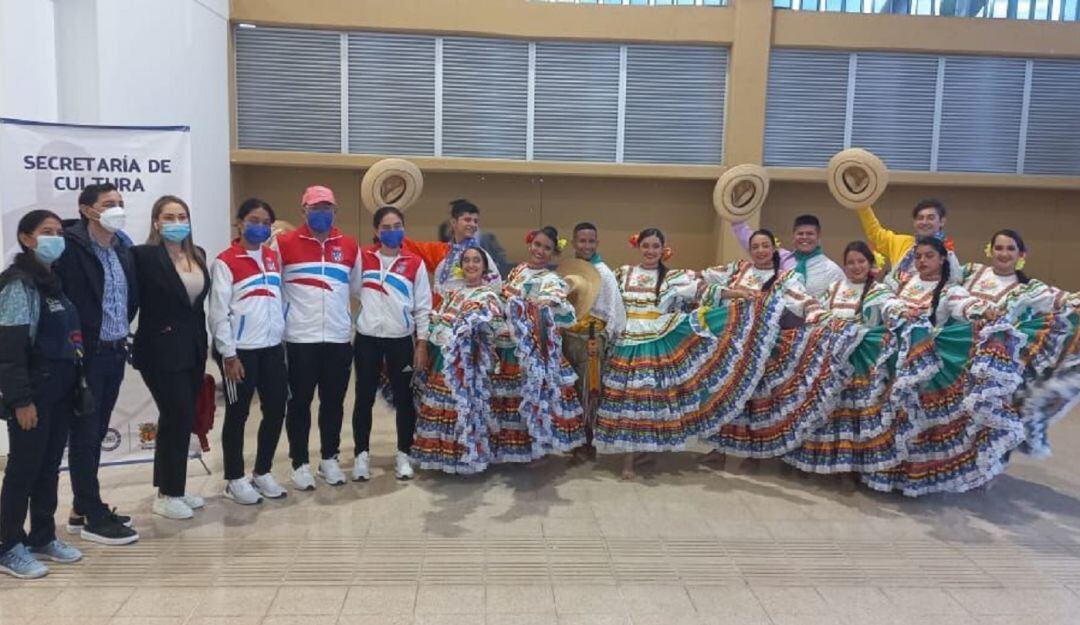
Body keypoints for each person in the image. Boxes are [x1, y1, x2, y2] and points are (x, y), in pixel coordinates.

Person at [594, 228, 785, 479]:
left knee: (648, 399)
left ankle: (639, 455)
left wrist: (737, 293)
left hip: (657, 338)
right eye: (646, 246)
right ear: (638, 247)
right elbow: (608, 299)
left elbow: (703, 290)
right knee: (629, 400)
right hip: (627, 339)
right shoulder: (623, 273)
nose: (650, 251)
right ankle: (633, 455)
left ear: (663, 249)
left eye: (655, 246)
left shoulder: (673, 277)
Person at [866, 237, 1025, 495]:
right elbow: (883, 299)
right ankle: (884, 469)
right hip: (896, 361)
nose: (923, 261)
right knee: (891, 417)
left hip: (925, 367)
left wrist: (983, 312)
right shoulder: (903, 284)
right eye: (918, 256)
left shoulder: (950, 289)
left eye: (929, 256)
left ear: (942, 259)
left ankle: (915, 477)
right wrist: (897, 309)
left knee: (918, 421)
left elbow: (965, 305)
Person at [702, 230, 857, 461]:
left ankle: (753, 453)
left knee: (758, 400)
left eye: (765, 246)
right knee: (728, 395)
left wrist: (822, 317)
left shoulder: (786, 278)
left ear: (774, 248)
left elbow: (802, 300)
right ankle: (720, 449)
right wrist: (731, 292)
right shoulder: (738, 270)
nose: (761, 251)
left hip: (766, 347)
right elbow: (705, 279)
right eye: (755, 247)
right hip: (733, 344)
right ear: (750, 250)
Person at [0, 210, 86, 578]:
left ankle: (42, 536)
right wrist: (20, 400)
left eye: (58, 231)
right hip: (33, 395)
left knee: (49, 468)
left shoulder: (53, 280)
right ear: (26, 238)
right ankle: (7, 546)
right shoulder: (18, 284)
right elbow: (10, 349)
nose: (55, 237)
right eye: (45, 232)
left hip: (61, 391)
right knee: (24, 469)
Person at [53, 182, 139, 544]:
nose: (117, 208)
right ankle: (91, 513)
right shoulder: (70, 249)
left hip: (115, 352)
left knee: (97, 430)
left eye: (120, 202)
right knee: (86, 436)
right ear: (88, 210)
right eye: (108, 204)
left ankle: (79, 507)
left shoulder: (123, 247)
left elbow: (129, 297)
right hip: (85, 356)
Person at [783, 241, 905, 475]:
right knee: (828, 412)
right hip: (832, 363)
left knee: (854, 417)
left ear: (870, 264)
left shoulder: (880, 292)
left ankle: (851, 470)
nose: (856, 266)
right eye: (850, 262)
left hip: (862, 366)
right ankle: (820, 461)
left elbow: (892, 310)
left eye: (861, 261)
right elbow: (817, 312)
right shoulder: (835, 287)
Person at [274, 185, 362, 490]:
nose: (321, 214)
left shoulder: (349, 246)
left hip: (338, 339)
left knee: (334, 403)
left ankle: (329, 459)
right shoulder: (284, 244)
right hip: (300, 339)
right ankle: (299, 463)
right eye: (315, 208)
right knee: (299, 403)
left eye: (327, 208)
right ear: (303, 211)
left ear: (335, 211)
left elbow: (355, 288)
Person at [131, 196, 212, 519]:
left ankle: (172, 486)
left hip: (193, 348)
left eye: (182, 216)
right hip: (159, 349)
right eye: (169, 216)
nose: (176, 222)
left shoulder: (198, 254)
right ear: (156, 222)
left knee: (179, 417)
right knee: (176, 414)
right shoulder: (142, 256)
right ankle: (167, 494)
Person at [207, 198, 289, 504]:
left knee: (276, 409)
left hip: (271, 349)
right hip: (239, 353)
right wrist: (229, 354)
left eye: (266, 222)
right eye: (253, 220)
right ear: (239, 223)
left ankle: (262, 471)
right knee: (238, 413)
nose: (260, 226)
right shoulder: (226, 261)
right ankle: (234, 478)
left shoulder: (271, 258)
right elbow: (218, 313)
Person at [962, 229, 1071, 458]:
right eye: (999, 248)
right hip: (959, 356)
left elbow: (1065, 300)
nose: (1004, 253)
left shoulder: (1030, 288)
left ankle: (987, 465)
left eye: (1010, 248)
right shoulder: (971, 272)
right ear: (990, 251)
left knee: (990, 415)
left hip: (997, 367)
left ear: (1021, 253)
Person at [350, 206, 432, 481]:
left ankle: (404, 455)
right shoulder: (363, 258)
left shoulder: (414, 263)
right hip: (367, 339)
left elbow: (423, 307)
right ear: (376, 231)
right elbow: (350, 289)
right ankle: (361, 456)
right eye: (386, 227)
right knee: (363, 398)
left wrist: (421, 343)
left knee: (404, 399)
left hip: (401, 341)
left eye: (397, 225)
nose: (392, 231)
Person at [492, 226, 585, 463]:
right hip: (507, 344)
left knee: (531, 395)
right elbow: (503, 297)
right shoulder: (519, 270)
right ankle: (512, 448)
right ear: (530, 243)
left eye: (547, 248)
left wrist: (537, 305)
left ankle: (533, 448)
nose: (540, 251)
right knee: (511, 396)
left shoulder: (551, 280)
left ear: (553, 254)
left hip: (533, 348)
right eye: (537, 245)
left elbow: (551, 303)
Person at [412, 247, 506, 474]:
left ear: (484, 267)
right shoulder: (453, 294)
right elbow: (437, 320)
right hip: (445, 361)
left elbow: (491, 325)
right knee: (444, 406)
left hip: (471, 364)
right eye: (467, 261)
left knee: (465, 408)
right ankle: (443, 457)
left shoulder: (489, 296)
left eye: (476, 261)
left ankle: (468, 457)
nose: (471, 265)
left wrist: (451, 324)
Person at [561, 222, 626, 459]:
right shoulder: (570, 270)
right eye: (582, 240)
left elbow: (614, 310)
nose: (586, 245)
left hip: (590, 339)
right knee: (570, 390)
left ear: (597, 243)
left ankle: (587, 442)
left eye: (591, 241)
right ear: (574, 242)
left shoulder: (604, 273)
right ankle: (572, 437)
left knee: (589, 391)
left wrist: (605, 338)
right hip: (568, 336)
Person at [403, 199, 501, 304]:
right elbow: (408, 246)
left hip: (469, 314)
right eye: (467, 220)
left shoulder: (482, 257)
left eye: (475, 221)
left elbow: (496, 289)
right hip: (440, 314)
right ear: (453, 222)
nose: (472, 224)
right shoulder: (439, 251)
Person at [730, 214, 843, 298]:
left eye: (810, 234)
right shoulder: (783, 258)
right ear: (793, 236)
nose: (804, 237)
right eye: (800, 233)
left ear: (818, 237)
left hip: (814, 325)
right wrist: (735, 211)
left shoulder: (832, 269)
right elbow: (753, 242)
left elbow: (841, 300)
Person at [856, 198, 962, 286]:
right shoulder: (902, 242)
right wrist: (862, 203)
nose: (924, 222)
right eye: (920, 218)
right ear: (914, 222)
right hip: (896, 302)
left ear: (942, 222)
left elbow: (954, 282)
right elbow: (875, 232)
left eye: (930, 218)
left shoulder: (947, 253)